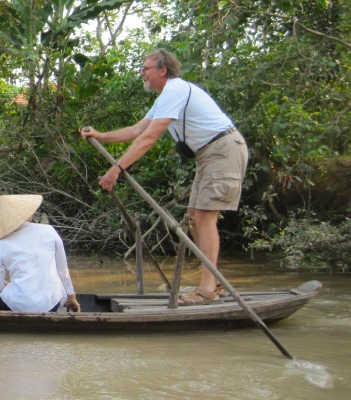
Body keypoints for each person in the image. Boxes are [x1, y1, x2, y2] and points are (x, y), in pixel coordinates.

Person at [80, 49, 248, 305]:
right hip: (208, 155)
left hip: (222, 150)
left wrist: (117, 169)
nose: (141, 73)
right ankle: (213, 281)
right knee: (193, 219)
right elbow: (137, 130)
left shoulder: (174, 90)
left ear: (162, 71)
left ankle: (207, 289)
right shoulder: (165, 97)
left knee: (204, 218)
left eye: (146, 68)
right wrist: (101, 136)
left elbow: (148, 138)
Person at [0, 195, 79, 313]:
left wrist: (8, 286)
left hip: (18, 306)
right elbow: (62, 270)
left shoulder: (0, 245)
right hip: (51, 303)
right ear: (28, 216)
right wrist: (71, 296)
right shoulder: (49, 231)